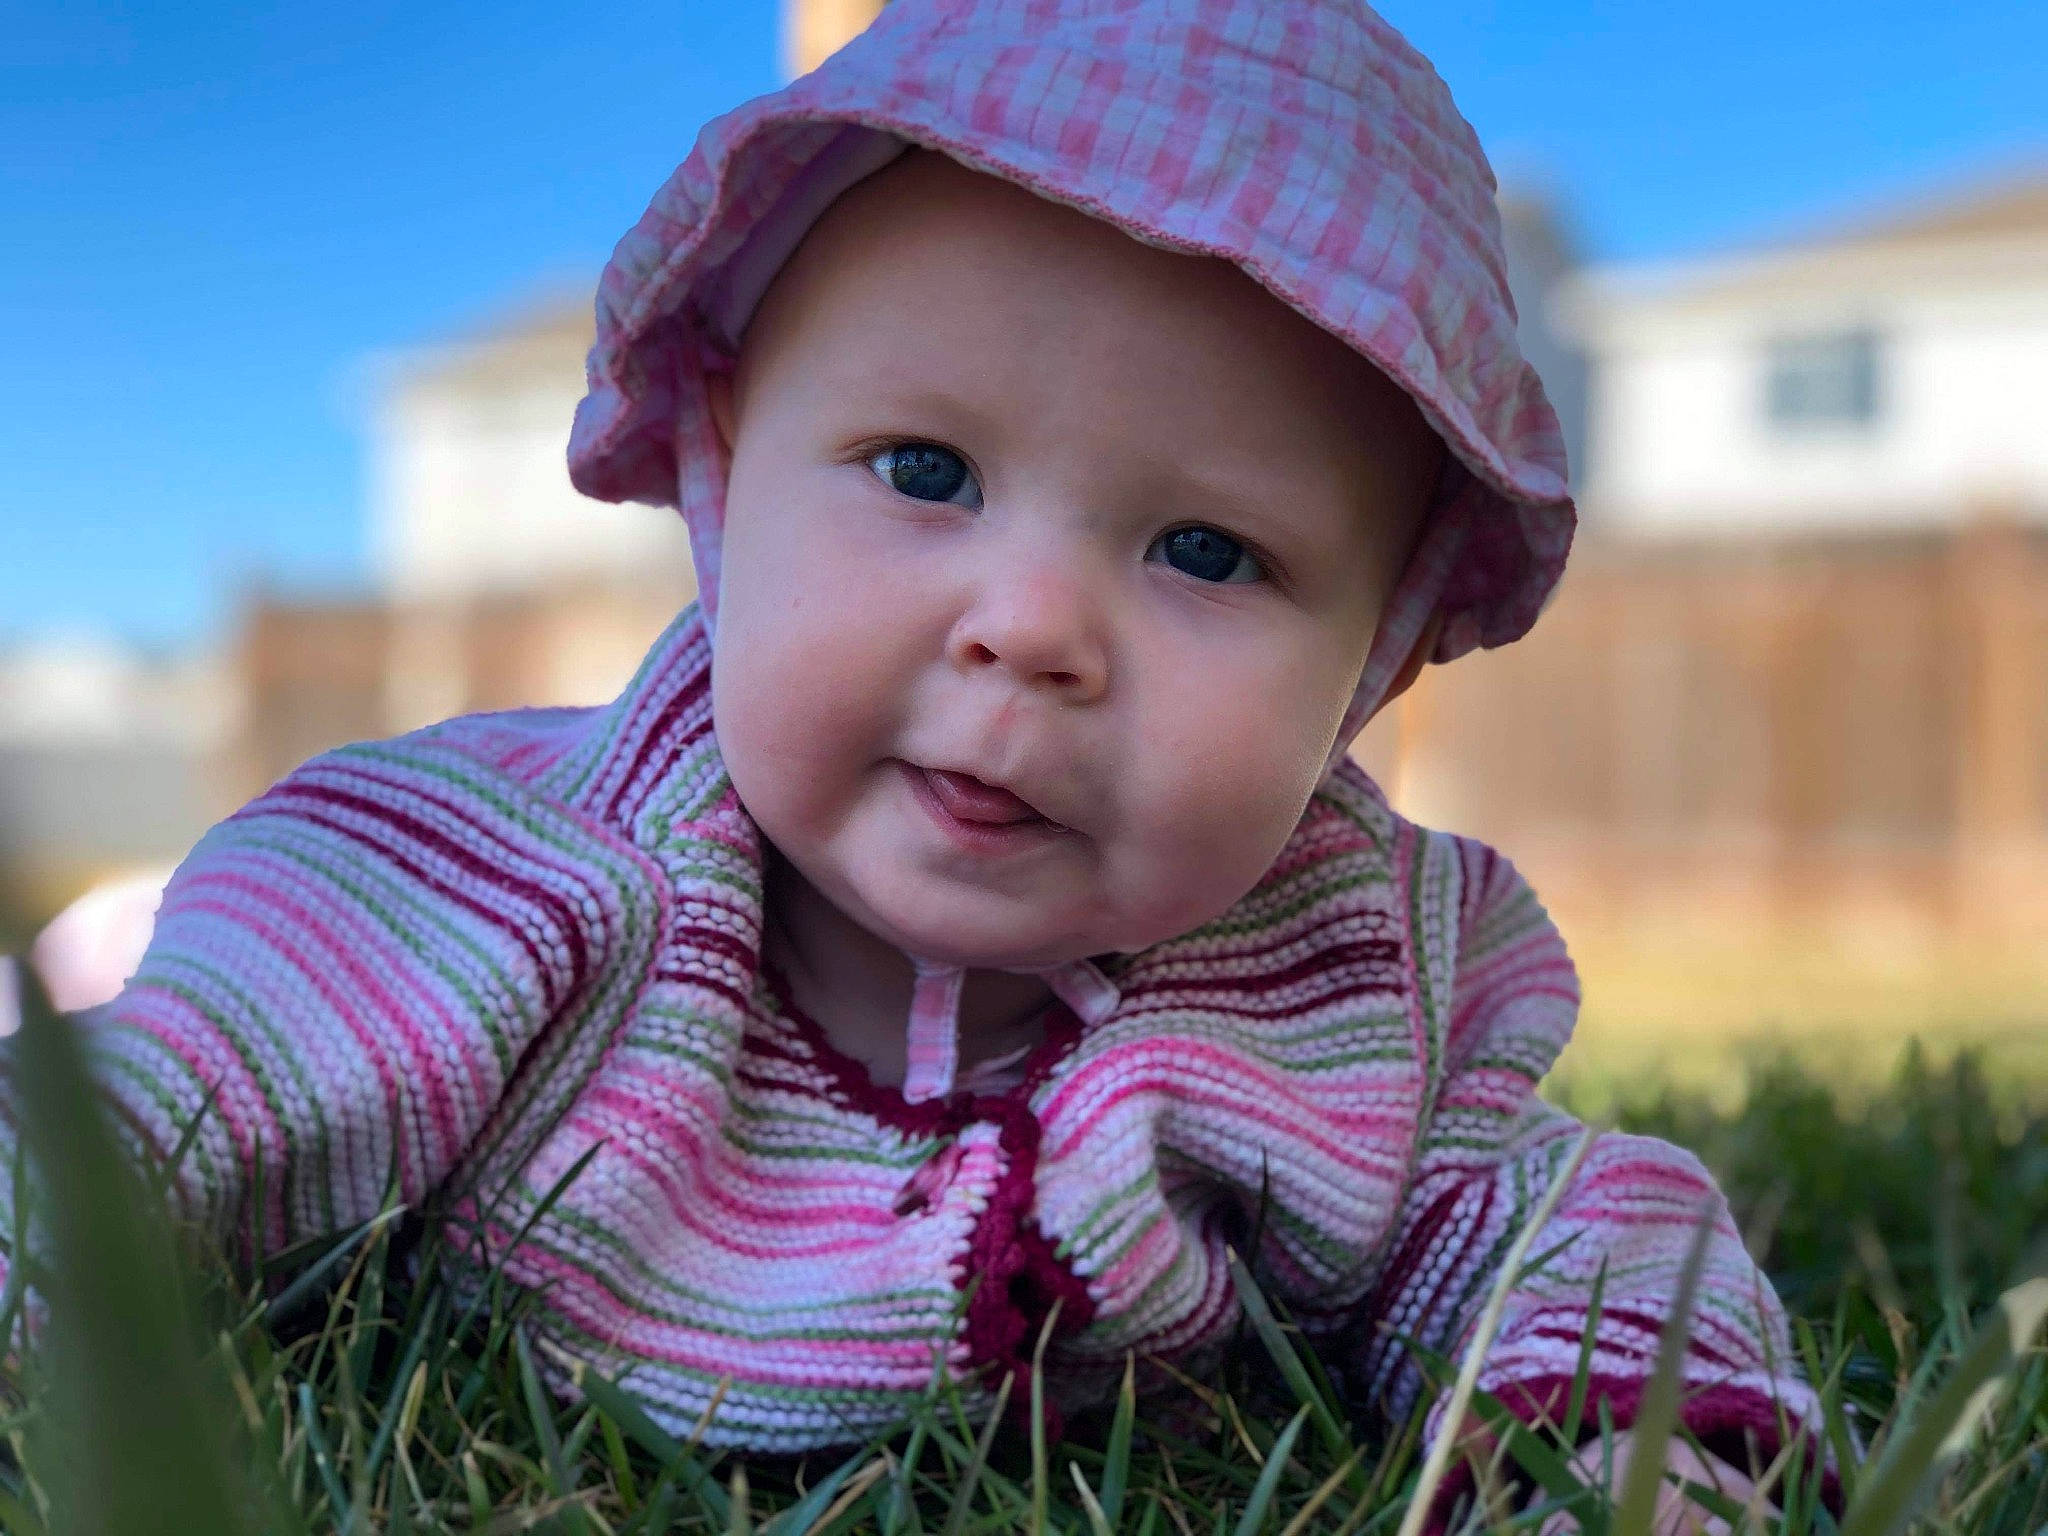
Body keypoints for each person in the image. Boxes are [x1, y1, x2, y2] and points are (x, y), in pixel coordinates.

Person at [1, 0, 1820, 1526]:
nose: (1029, 628)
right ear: (726, 479)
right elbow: (151, 1113)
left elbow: (1541, 1213)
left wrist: (1624, 1452)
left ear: (1379, 656)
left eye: (1205, 553)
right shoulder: (495, 897)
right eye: (926, 473)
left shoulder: (1348, 987)